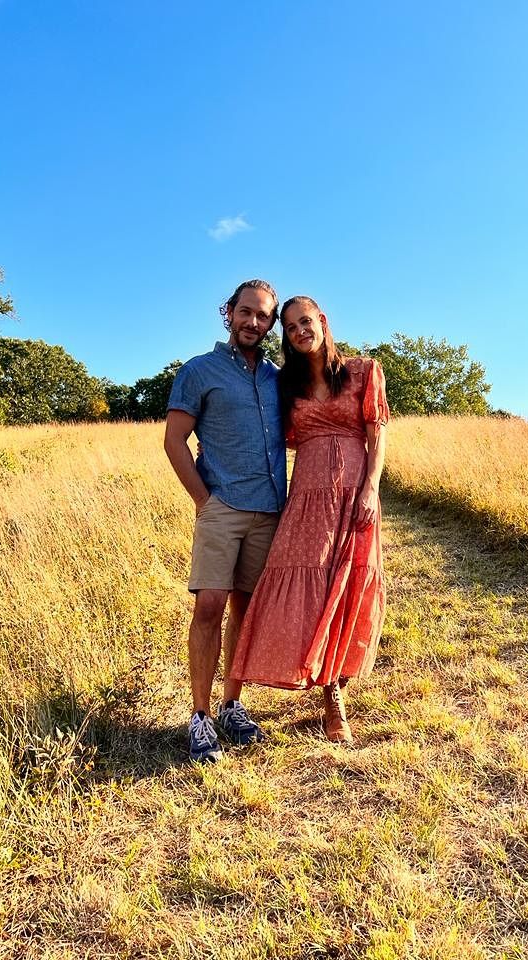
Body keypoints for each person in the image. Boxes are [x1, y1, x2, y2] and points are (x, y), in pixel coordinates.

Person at [230, 295, 389, 744]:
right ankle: (296, 683)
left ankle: (333, 696)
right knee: (309, 585)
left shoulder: (363, 371)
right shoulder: (287, 385)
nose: (299, 331)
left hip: (355, 492)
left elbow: (377, 433)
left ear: (322, 320)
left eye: (305, 322)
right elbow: (265, 432)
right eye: (290, 327)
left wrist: (371, 489)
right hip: (306, 494)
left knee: (344, 585)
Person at [164, 279, 287, 763]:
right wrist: (203, 501)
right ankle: (200, 718)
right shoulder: (199, 371)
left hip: (269, 511)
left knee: (246, 610)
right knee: (210, 606)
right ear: (229, 312)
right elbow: (174, 442)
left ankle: (232, 705)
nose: (254, 322)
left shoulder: (279, 379)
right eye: (246, 312)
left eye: (264, 317)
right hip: (222, 507)